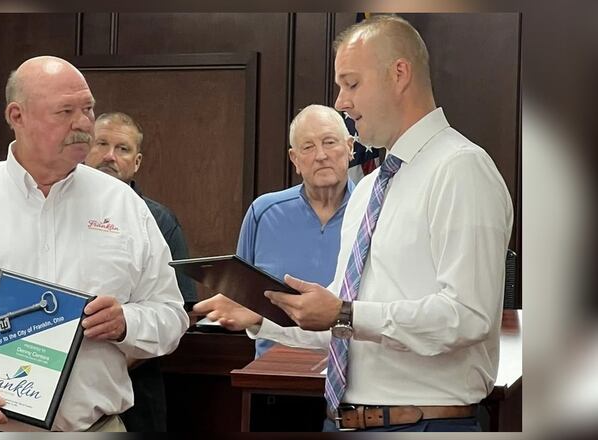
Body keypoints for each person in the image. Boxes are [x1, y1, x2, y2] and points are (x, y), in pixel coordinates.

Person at [196, 15, 513, 432]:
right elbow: (346, 325)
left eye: (351, 84)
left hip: (421, 424)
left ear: (399, 74)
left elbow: (468, 316)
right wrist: (260, 317)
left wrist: (345, 313)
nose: (341, 102)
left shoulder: (460, 168)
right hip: (345, 420)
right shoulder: (369, 188)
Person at [0, 56, 189, 432]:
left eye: (88, 109)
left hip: (95, 428)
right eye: (65, 111)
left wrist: (128, 322)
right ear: (17, 116)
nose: (83, 124)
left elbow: (171, 315)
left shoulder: (125, 206)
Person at [84, 112, 194, 432]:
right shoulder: (57, 209)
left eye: (122, 148)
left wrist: (113, 364)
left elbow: (179, 309)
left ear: (137, 162)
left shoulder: (158, 221)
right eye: (101, 144)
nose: (109, 156)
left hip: (136, 393)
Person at [235, 104, 355, 358]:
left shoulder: (373, 211)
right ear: (295, 159)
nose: (321, 155)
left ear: (350, 148)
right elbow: (241, 301)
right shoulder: (263, 212)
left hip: (353, 368)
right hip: (274, 371)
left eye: (329, 142)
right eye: (308, 147)